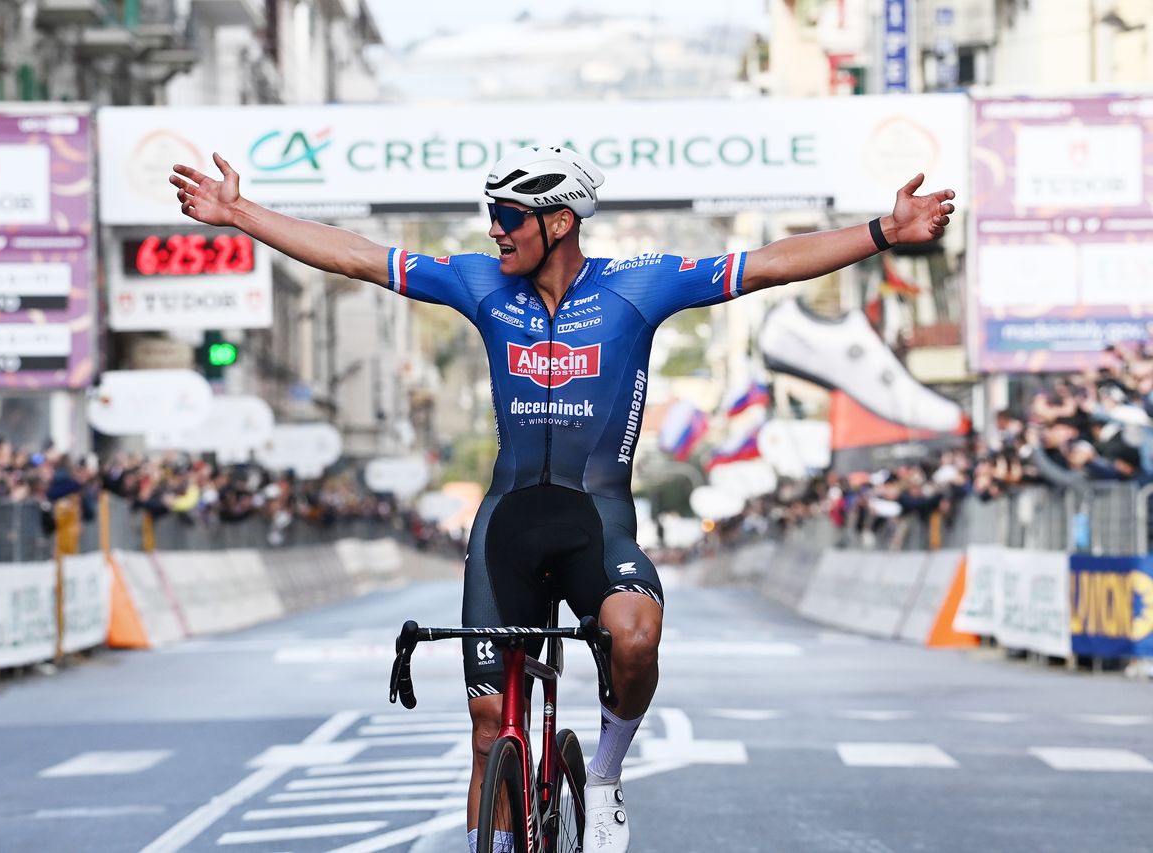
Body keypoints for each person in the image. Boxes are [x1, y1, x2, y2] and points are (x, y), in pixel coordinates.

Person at [171, 145, 955, 852]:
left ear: (558, 220)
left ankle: (606, 775)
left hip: (595, 520)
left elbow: (771, 263)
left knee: (635, 634)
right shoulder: (481, 285)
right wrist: (238, 213)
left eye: (508, 218)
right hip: (507, 522)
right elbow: (356, 256)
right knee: (488, 731)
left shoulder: (635, 289)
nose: (495, 232)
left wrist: (882, 232)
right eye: (491, 216)